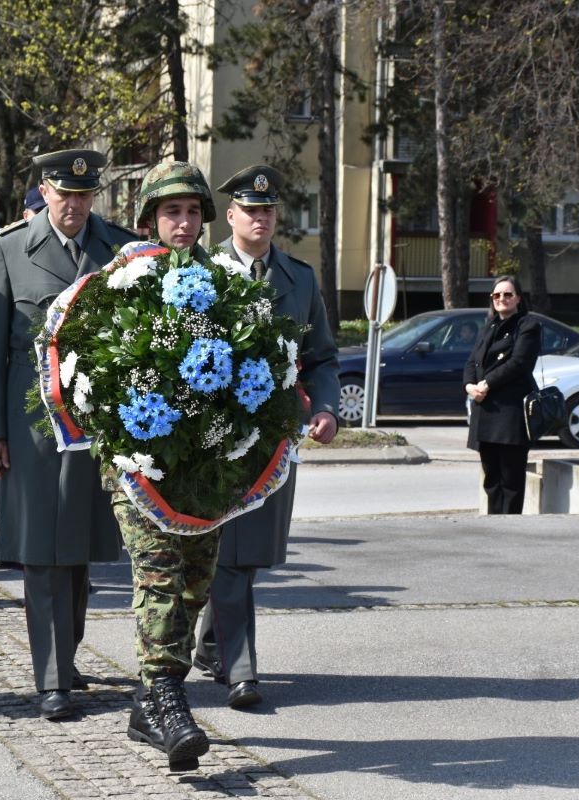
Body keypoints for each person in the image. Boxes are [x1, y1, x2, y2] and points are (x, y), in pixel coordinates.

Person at [0, 149, 136, 721]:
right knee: (42, 554)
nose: (75, 205)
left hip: (98, 423)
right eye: (65, 194)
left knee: (81, 551)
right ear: (44, 191)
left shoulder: (118, 249)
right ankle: (52, 680)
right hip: (33, 424)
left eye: (84, 195)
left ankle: (64, 655)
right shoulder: (10, 247)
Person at [192, 165, 339, 710]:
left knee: (246, 554)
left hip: (274, 437)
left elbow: (321, 357)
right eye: (251, 210)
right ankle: (241, 670)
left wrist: (325, 408)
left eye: (268, 210)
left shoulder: (299, 278)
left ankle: (212, 644)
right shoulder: (199, 272)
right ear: (230, 216)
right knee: (229, 553)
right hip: (212, 438)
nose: (261, 218)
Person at [114, 161, 225, 770]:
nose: (182, 223)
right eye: (170, 212)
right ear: (149, 219)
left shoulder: (225, 283)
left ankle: (150, 702)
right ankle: (166, 698)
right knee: (158, 573)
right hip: (140, 466)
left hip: (204, 468)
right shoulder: (124, 279)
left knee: (195, 580)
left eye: (191, 212)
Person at [463, 275, 541, 515]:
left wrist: (487, 384)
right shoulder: (489, 326)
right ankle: (493, 525)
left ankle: (510, 527)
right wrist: (469, 386)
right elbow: (472, 362)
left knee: (511, 481)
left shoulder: (527, 326)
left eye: (508, 294)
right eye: (496, 295)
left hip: (510, 415)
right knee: (491, 480)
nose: (501, 299)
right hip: (485, 412)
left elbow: (519, 363)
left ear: (518, 298)